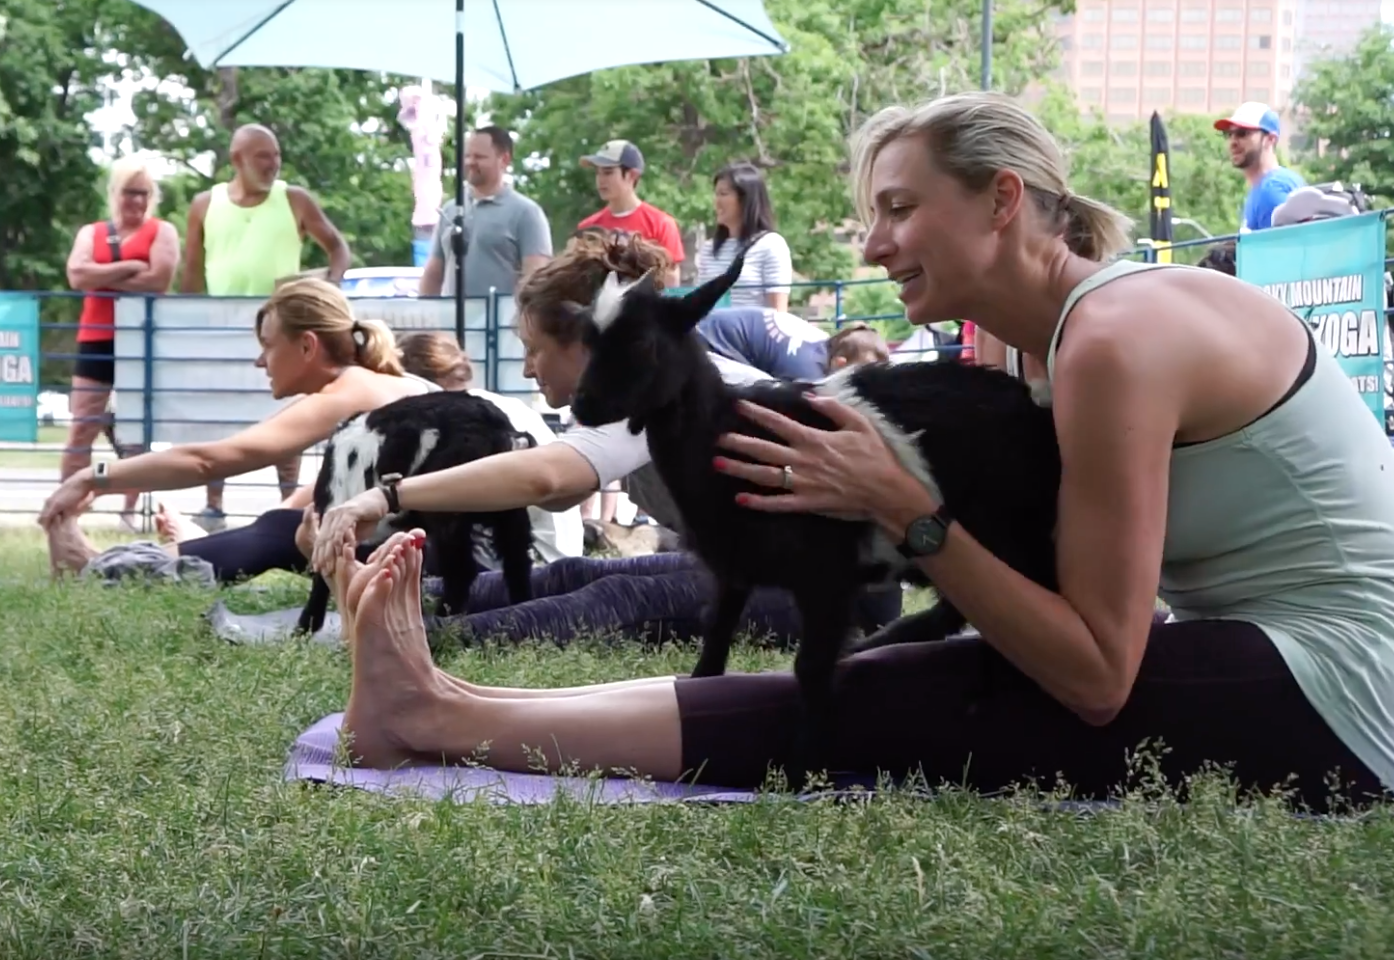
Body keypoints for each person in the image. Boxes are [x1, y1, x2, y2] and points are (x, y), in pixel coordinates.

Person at [321, 91, 1394, 815]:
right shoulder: (1051, 346)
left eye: (897, 210)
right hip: (1266, 646)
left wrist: (906, 511)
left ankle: (438, 715)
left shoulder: (1114, 339)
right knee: (885, 671)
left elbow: (1097, 673)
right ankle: (458, 700)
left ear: (1002, 201)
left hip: (1349, 692)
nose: (873, 244)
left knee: (897, 695)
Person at [314, 229, 903, 651]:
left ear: (588, 343)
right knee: (572, 575)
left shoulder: (654, 381)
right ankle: (381, 597)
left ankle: (406, 633)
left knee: (615, 595)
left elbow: (551, 482)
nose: (527, 370)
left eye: (535, 349)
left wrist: (384, 497)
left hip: (837, 588)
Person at [39, 278, 434, 579]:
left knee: (283, 530)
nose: (260, 362)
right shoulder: (382, 386)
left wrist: (94, 477)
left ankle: (103, 570)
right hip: (446, 552)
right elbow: (321, 492)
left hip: (436, 560)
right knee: (289, 522)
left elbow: (206, 461)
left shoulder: (346, 392)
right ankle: (165, 555)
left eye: (268, 345)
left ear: (308, 346)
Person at [181, 123, 352, 532]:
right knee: (219, 414)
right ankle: (213, 506)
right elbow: (190, 272)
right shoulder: (205, 204)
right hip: (220, 328)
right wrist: (186, 319)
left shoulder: (294, 199)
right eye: (263, 156)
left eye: (276, 155)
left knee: (284, 413)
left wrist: (328, 288)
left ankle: (287, 505)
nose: (273, 164)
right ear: (236, 159)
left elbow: (337, 248)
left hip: (282, 326)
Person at [62, 156, 181, 531]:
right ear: (116, 194)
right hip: (96, 338)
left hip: (142, 341)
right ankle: (67, 510)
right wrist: (131, 268)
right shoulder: (91, 232)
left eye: (144, 194)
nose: (137, 201)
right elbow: (76, 274)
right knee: (82, 426)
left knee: (136, 432)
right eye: (130, 193)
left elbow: (158, 279)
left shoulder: (162, 231)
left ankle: (129, 513)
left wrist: (103, 277)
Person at [418, 126, 552, 299]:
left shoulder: (526, 213)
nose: (470, 162)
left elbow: (536, 279)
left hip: (499, 324)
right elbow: (433, 274)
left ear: (503, 160)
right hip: (452, 323)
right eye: (467, 156)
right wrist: (425, 320)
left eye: (479, 157)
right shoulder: (451, 210)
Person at [577, 140, 685, 288]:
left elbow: (670, 280)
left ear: (632, 175)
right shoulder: (588, 228)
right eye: (598, 172)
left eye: (608, 172)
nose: (600, 180)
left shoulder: (661, 224)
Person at [696, 162, 794, 311]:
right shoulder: (709, 249)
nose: (716, 202)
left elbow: (779, 313)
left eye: (723, 194)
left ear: (746, 199)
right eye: (716, 194)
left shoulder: (771, 245)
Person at [697, 309, 887, 382]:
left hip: (705, 332)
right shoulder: (808, 372)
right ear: (839, 363)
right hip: (705, 349)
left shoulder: (822, 343)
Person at [1214, 102, 1305, 234]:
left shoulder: (1272, 190)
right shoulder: (1266, 187)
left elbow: (1285, 250)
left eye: (1242, 133)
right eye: (1229, 134)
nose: (1233, 142)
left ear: (1270, 139)